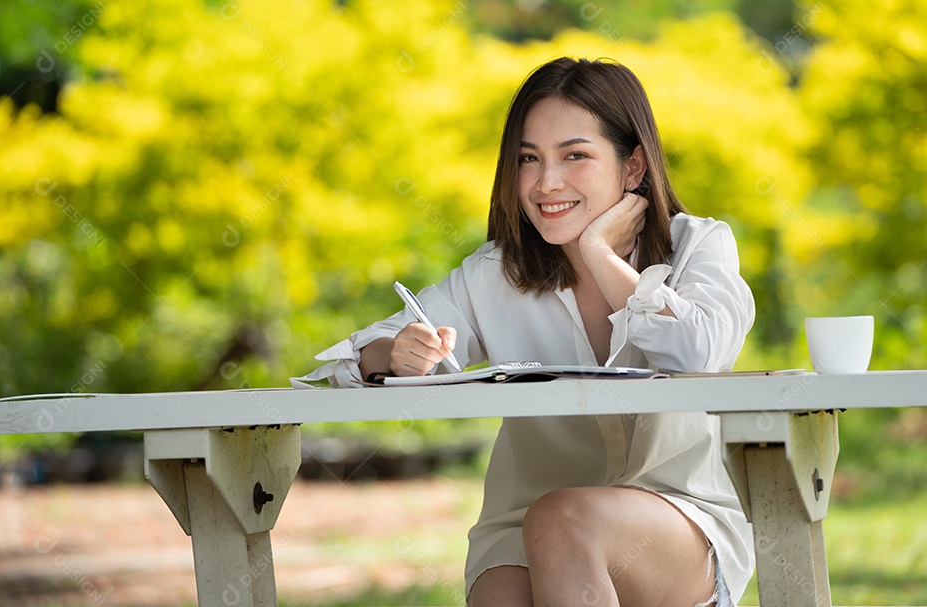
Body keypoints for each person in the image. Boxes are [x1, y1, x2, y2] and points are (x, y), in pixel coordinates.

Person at [296, 57, 756, 607]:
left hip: (677, 520)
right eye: (529, 159)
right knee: (512, 579)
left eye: (575, 156)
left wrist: (599, 253)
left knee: (562, 521)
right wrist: (394, 354)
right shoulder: (496, 273)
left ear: (633, 168)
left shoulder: (698, 247)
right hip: (519, 530)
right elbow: (357, 359)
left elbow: (702, 349)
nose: (546, 183)